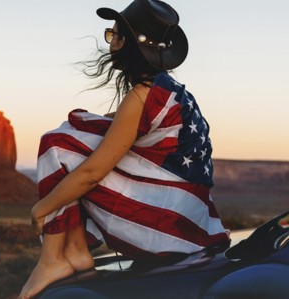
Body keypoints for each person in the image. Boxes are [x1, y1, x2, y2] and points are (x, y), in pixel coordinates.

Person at [17, 1, 231, 298]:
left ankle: (53, 259)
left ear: (132, 43)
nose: (111, 42)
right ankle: (76, 250)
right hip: (189, 219)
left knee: (57, 143)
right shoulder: (169, 91)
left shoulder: (143, 96)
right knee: (78, 131)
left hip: (166, 228)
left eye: (115, 35)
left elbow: (93, 173)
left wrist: (42, 208)